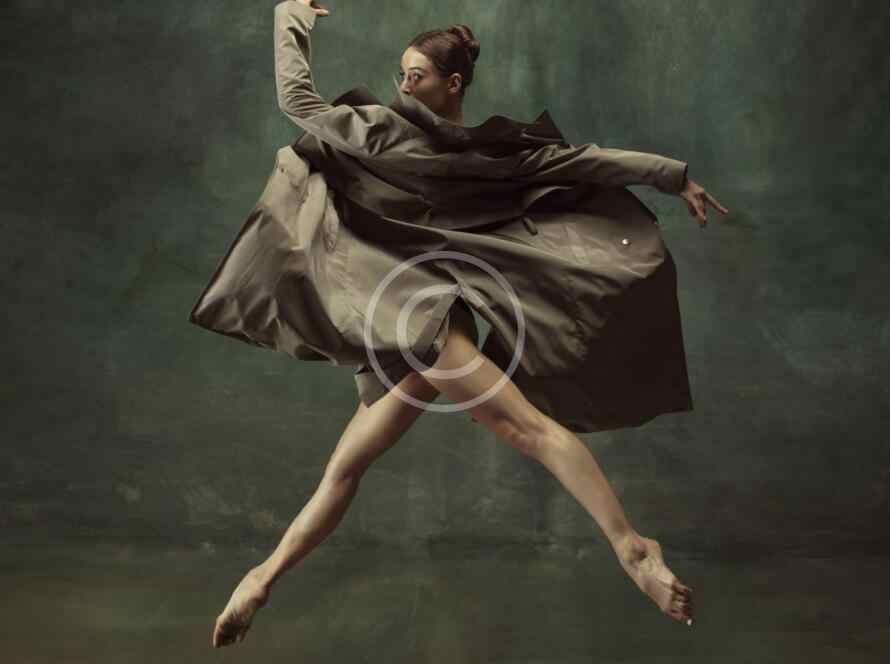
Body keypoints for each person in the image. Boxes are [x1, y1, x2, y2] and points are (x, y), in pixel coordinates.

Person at [211, 0, 728, 648]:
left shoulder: (490, 155)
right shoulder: (378, 131)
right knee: (346, 468)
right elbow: (298, 100)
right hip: (410, 324)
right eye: (401, 73)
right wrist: (290, 16)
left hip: (426, 324)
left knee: (528, 429)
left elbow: (585, 162)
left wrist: (673, 176)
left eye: (417, 76)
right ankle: (261, 578)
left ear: (452, 84)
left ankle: (632, 548)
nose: (404, 86)